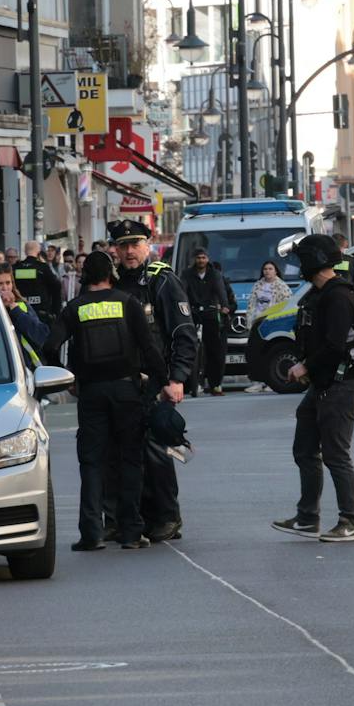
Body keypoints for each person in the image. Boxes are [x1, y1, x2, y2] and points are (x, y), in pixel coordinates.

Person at [49, 251, 167, 551]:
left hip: (91, 393)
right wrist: (158, 383)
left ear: (85, 276)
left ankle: (92, 533)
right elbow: (150, 347)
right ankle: (131, 532)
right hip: (127, 391)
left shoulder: (75, 308)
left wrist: (66, 378)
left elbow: (49, 346)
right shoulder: (128, 303)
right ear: (111, 275)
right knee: (130, 460)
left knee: (92, 462)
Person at [269, 234, 354, 543]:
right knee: (305, 448)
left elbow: (336, 345)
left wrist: (305, 367)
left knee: (336, 454)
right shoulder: (319, 294)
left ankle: (350, 521)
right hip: (323, 384)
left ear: (314, 260)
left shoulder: (338, 296)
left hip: (342, 385)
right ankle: (307, 517)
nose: (299, 266)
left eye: (302, 260)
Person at [109, 219, 198, 543]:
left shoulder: (162, 280)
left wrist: (177, 378)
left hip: (156, 382)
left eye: (135, 244)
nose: (129, 251)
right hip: (123, 382)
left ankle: (167, 517)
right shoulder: (113, 283)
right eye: (123, 246)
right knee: (125, 453)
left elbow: (183, 333)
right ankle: (135, 518)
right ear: (115, 250)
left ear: (147, 245)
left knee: (157, 451)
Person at [183, 246, 236, 396]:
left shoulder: (215, 274)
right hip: (194, 313)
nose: (201, 260)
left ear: (208, 259)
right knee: (187, 347)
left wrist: (225, 306)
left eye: (203, 257)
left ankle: (215, 384)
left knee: (215, 351)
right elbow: (182, 291)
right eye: (198, 258)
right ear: (194, 259)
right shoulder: (187, 274)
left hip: (211, 313)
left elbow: (221, 291)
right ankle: (189, 383)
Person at [0, 261, 50, 371]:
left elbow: (41, 335)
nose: (5, 288)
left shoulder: (21, 306)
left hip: (25, 368)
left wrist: (15, 310)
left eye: (8, 283)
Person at [11, 239, 64, 319]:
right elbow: (56, 286)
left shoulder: (16, 267)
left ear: (25, 251)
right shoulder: (42, 268)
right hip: (41, 313)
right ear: (39, 251)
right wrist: (55, 311)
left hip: (20, 311)